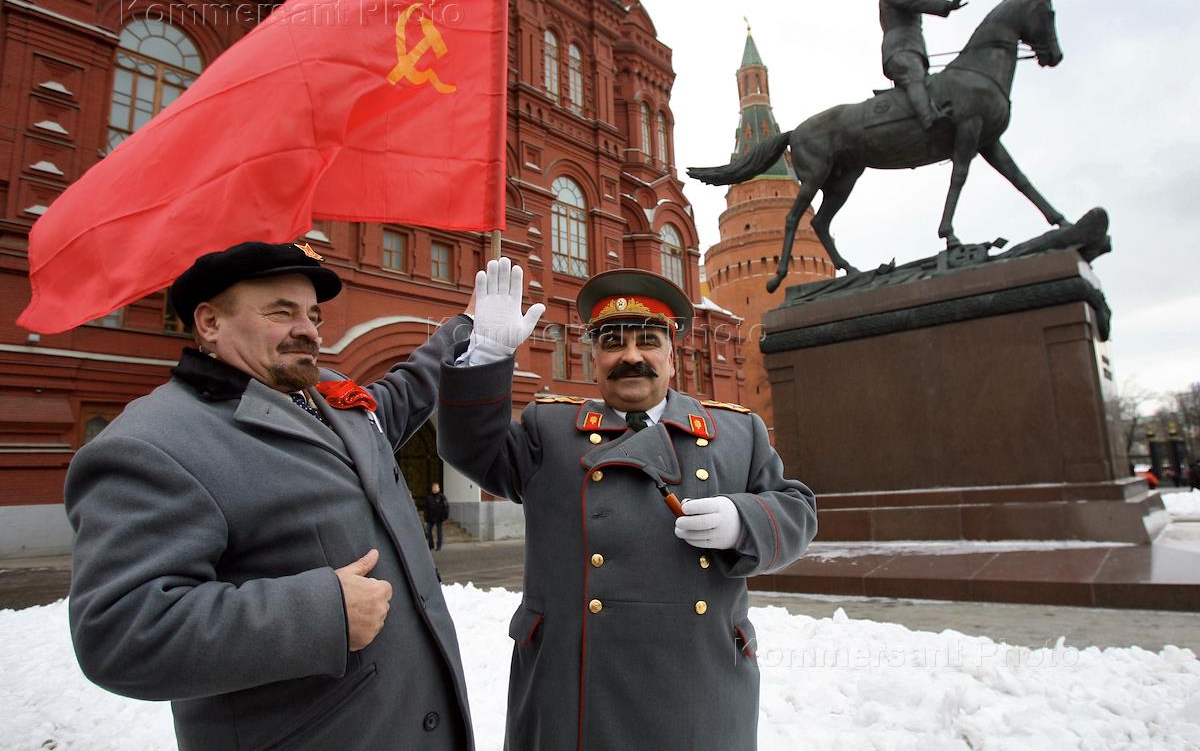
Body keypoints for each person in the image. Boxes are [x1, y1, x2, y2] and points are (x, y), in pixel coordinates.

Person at [65, 241, 477, 751]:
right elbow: (121, 633)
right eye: (280, 312)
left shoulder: (325, 396)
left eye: (312, 314)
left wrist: (468, 330)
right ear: (210, 323)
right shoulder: (154, 443)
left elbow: (404, 393)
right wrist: (321, 613)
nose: (307, 328)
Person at [438, 261, 818, 750]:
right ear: (593, 359)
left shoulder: (736, 432)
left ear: (672, 357)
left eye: (647, 342)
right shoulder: (548, 430)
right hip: (573, 690)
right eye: (612, 343)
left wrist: (742, 522)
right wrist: (487, 357)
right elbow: (469, 449)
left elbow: (798, 510)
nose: (630, 357)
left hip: (699, 685)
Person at [876, 0, 972, 129]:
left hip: (909, 46)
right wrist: (946, 5)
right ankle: (929, 119)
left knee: (921, 84)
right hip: (900, 48)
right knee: (914, 76)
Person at [426, 482, 450, 550]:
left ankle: (439, 546)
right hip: (430, 517)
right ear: (432, 488)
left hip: (439, 517)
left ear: (438, 488)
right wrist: (426, 516)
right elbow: (426, 508)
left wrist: (445, 516)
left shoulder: (442, 496)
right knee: (429, 531)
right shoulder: (429, 497)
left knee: (439, 532)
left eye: (436, 487)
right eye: (433, 488)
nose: (435, 489)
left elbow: (446, 507)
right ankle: (431, 545)